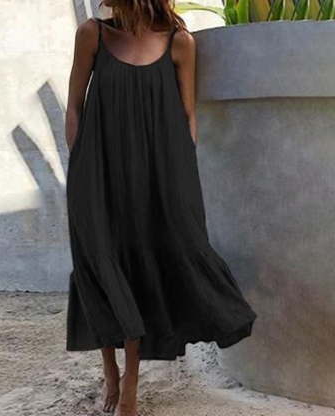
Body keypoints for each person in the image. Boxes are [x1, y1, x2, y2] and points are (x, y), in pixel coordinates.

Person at [65, 1, 258, 415]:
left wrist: (180, 181)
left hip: (158, 178)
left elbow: (188, 117)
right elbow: (74, 108)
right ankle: (110, 369)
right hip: (97, 175)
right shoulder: (92, 35)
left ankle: (130, 383)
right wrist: (80, 168)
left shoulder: (180, 43)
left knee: (146, 268)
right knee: (98, 264)